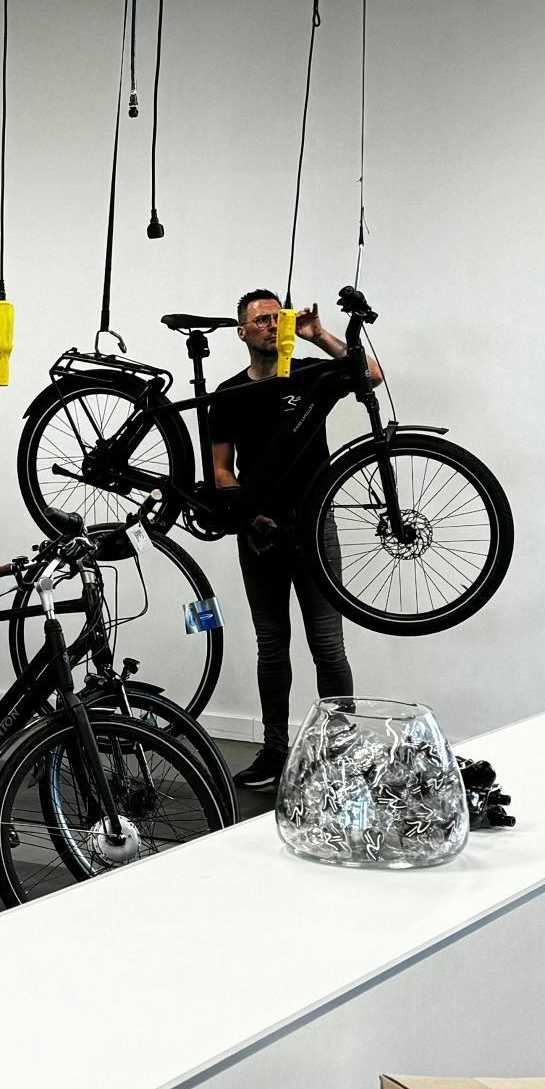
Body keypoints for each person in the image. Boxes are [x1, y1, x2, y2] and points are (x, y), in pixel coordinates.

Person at [207, 288, 383, 798]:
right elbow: (220, 471)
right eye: (260, 320)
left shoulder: (308, 374)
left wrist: (318, 335)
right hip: (257, 532)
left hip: (314, 527)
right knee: (271, 647)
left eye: (276, 318)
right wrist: (247, 515)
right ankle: (274, 750)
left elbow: (371, 375)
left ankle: (340, 751)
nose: (269, 325)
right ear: (242, 332)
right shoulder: (227, 394)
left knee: (328, 646)